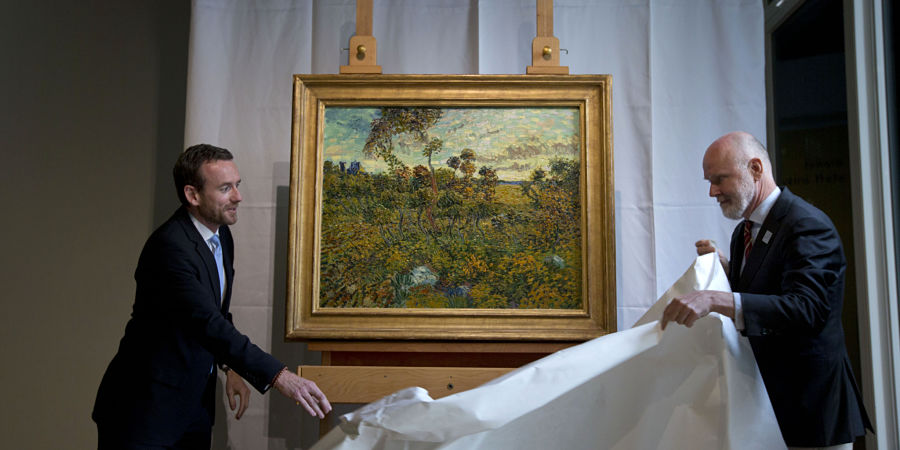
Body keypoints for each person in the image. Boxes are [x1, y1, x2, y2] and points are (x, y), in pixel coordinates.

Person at [93, 144, 332, 449]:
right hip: (144, 408)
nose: (238, 196)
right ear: (192, 195)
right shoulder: (170, 249)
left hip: (193, 403)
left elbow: (216, 312)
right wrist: (280, 377)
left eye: (237, 185)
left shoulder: (220, 234)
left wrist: (230, 367)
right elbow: (207, 323)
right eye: (225, 188)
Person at [661, 131, 871, 449]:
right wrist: (728, 273)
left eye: (719, 179)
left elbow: (808, 309)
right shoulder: (744, 231)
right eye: (709, 180)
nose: (711, 191)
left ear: (756, 169)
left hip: (811, 410)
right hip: (768, 410)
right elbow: (765, 292)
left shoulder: (806, 224)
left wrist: (715, 298)